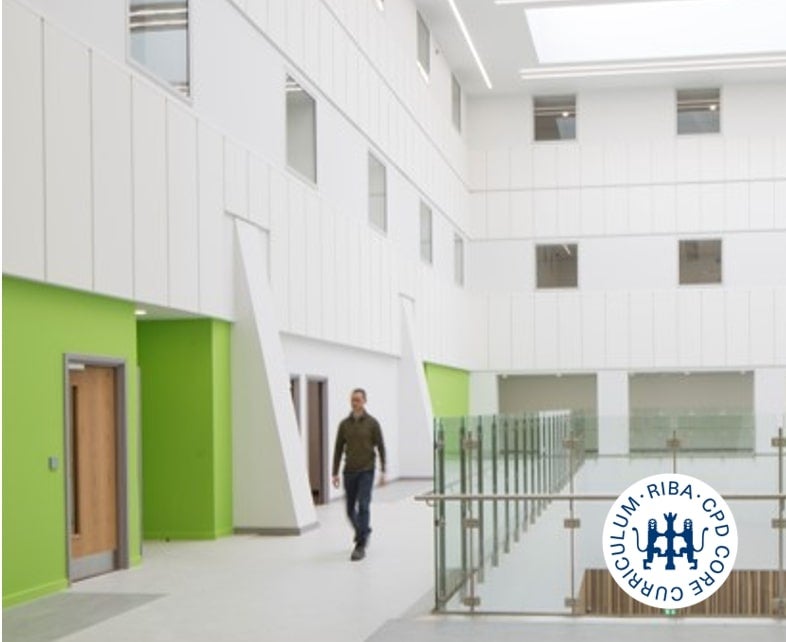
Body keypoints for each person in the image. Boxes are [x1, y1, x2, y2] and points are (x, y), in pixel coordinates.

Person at [331, 388, 386, 561]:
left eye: (358, 400)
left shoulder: (372, 423)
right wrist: (334, 472)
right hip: (349, 471)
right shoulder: (344, 425)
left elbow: (381, 446)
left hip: (366, 471)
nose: (354, 403)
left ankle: (360, 546)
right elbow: (338, 449)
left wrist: (383, 470)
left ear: (364, 401)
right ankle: (363, 531)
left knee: (363, 505)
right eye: (352, 399)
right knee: (349, 510)